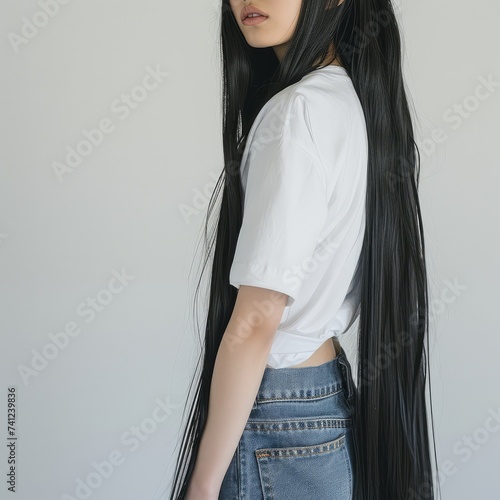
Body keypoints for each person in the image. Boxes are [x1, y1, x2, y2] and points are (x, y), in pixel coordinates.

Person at [169, 1, 439, 499]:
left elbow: (257, 318)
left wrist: (202, 487)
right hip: (324, 399)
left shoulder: (298, 112)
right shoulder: (349, 101)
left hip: (278, 414)